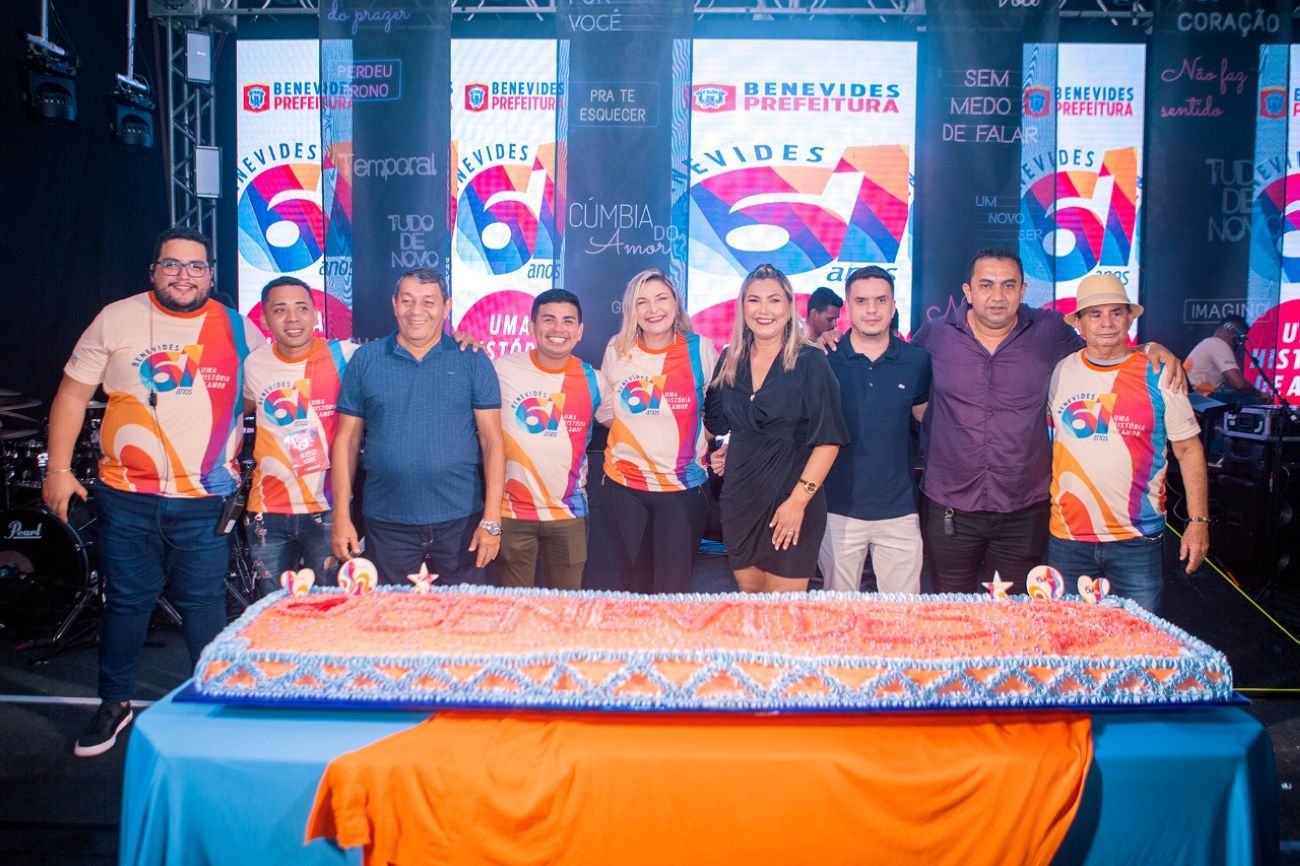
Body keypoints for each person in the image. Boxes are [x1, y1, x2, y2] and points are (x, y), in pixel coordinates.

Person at [43, 225, 262, 757]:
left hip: (205, 500)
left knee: (205, 604)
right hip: (126, 496)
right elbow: (71, 396)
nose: (184, 276)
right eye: (172, 264)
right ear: (154, 270)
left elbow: (272, 389)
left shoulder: (240, 330)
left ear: (210, 274)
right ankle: (114, 703)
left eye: (195, 266)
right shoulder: (116, 317)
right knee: (126, 602)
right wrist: (57, 469)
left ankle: (213, 700)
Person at [909, 248, 1186, 594]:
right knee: (950, 609)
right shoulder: (935, 335)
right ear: (968, 291)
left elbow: (1103, 346)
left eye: (1009, 285)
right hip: (951, 505)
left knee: (1016, 613)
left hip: (1023, 509)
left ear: (1023, 290)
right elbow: (904, 381)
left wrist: (1148, 347)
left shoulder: (1049, 330)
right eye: (986, 285)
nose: (998, 296)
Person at [1047, 274, 1209, 614]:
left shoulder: (1160, 373)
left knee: (1140, 640)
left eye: (1116, 313)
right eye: (1095, 314)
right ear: (1079, 323)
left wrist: (1198, 522)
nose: (1106, 323)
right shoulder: (1060, 372)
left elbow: (1189, 449)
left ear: (1129, 318)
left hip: (1136, 540)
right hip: (1068, 539)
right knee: (1069, 639)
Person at [331, 268, 504, 585]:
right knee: (393, 613)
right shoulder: (366, 359)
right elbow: (346, 441)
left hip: (461, 522)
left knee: (465, 612)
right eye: (407, 300)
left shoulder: (473, 359)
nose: (416, 311)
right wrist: (341, 515)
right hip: (387, 522)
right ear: (394, 304)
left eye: (428, 301)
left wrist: (492, 520)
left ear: (446, 307)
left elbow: (492, 442)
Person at [705, 264, 848, 593]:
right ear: (743, 307)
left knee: (784, 616)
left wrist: (797, 503)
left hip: (792, 503)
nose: (763, 310)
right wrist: (727, 449)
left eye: (774, 300)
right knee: (753, 610)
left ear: (789, 306)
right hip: (740, 501)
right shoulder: (729, 360)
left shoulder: (810, 361)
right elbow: (717, 425)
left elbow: (829, 442)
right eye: (754, 300)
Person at [596, 269, 717, 594]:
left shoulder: (701, 349)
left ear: (676, 302)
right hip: (625, 488)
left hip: (684, 489)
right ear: (631, 310)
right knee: (634, 589)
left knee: (672, 591)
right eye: (642, 302)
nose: (653, 309)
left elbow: (718, 409)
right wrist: (638, 432)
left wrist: (699, 436)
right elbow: (605, 409)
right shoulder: (617, 349)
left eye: (661, 298)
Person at [817, 266, 930, 594]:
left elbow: (926, 419)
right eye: (861, 301)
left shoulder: (917, 361)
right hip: (837, 511)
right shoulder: (823, 359)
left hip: (899, 512)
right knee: (837, 615)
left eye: (881, 300)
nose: (871, 309)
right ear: (848, 308)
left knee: (901, 616)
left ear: (893, 306)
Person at [243, 276, 356, 596]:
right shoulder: (254, 364)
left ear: (314, 314)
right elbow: (238, 407)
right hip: (268, 510)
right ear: (265, 319)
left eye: (301, 308)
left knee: (331, 605)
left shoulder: (345, 355)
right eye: (280, 310)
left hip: (328, 508)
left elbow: (399, 351)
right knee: (272, 607)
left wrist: (458, 340)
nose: (292, 318)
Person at [494, 289, 600, 590]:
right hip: (512, 512)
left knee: (565, 608)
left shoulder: (595, 380)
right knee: (513, 607)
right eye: (549, 319)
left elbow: (630, 422)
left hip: (568, 514)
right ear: (532, 327)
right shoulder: (502, 369)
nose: (558, 328)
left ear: (579, 331)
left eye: (568, 321)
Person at [1184, 315, 1264, 401]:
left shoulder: (1209, 343)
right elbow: (1239, 385)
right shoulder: (1218, 344)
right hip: (1197, 398)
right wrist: (1260, 395)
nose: (1238, 343)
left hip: (1192, 397)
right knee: (1253, 402)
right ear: (1231, 331)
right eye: (1239, 338)